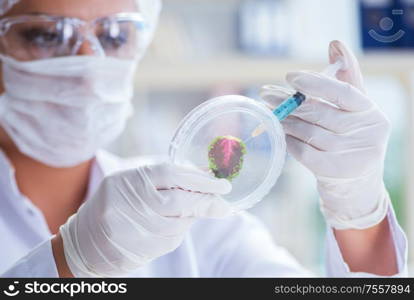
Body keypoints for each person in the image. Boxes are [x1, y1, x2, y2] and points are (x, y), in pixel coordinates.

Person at [0, 0, 407, 278]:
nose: (90, 65)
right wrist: (65, 264)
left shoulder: (196, 221)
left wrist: (358, 214)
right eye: (45, 35)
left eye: (114, 36)